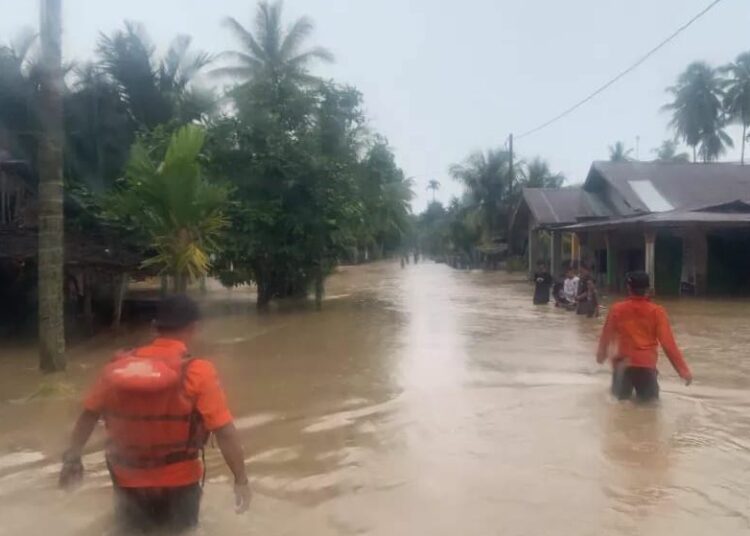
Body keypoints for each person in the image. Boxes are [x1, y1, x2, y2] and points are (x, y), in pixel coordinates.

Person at [59, 294, 251, 534]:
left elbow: (88, 415)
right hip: (180, 482)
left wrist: (72, 458)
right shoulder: (198, 372)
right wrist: (240, 479)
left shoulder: (116, 368)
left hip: (128, 480)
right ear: (194, 327)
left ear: (154, 327)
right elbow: (225, 432)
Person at [596, 271, 693, 402]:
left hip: (623, 365)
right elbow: (668, 345)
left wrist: (601, 356)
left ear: (628, 288)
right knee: (650, 410)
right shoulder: (657, 312)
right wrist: (683, 371)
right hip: (646, 366)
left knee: (619, 407)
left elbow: (606, 336)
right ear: (647, 289)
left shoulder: (617, 309)